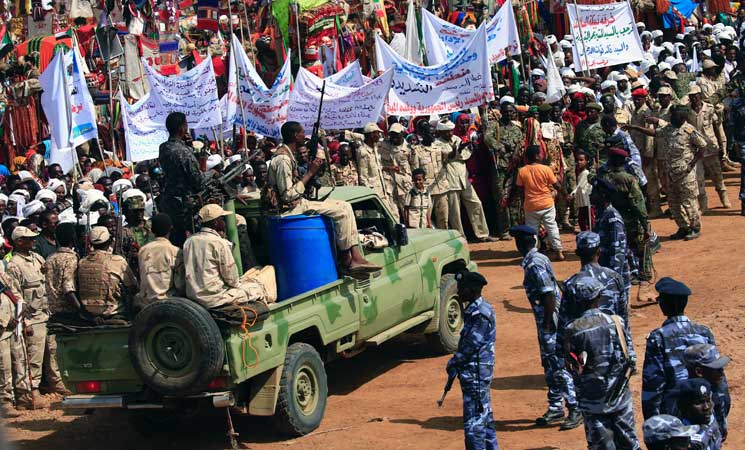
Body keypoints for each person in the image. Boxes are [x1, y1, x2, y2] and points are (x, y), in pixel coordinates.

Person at [265, 121, 380, 277]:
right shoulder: (283, 159)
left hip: (297, 203)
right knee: (341, 212)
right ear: (295, 135)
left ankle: (355, 256)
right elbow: (288, 195)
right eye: (301, 133)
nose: (303, 135)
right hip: (289, 209)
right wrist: (310, 173)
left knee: (345, 206)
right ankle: (346, 260)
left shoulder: (289, 155)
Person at [510, 225, 580, 429]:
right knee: (550, 365)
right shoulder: (538, 258)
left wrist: (548, 324)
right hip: (548, 320)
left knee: (557, 365)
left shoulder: (533, 264)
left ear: (521, 243)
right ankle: (556, 407)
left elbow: (548, 294)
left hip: (551, 322)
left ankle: (574, 408)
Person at [563, 276, 640, 450]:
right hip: (620, 397)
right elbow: (631, 359)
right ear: (598, 297)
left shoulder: (572, 330)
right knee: (629, 443)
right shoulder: (617, 322)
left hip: (592, 401)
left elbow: (571, 366)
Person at [642, 277, 717, 420]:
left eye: (660, 299)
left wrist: (652, 422)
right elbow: (717, 377)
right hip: (704, 410)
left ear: (666, 304)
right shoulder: (704, 332)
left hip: (674, 415)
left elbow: (653, 385)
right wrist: (720, 420)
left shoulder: (658, 337)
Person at [445, 270, 498, 450]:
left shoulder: (480, 313)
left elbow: (471, 345)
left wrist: (454, 363)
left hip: (476, 373)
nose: (459, 291)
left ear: (472, 290)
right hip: (476, 372)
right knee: (485, 417)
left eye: (462, 288)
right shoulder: (477, 309)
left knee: (474, 423)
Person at [183, 204, 266, 308]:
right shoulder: (219, 243)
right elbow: (232, 280)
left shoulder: (189, 241)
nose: (224, 222)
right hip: (215, 298)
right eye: (222, 219)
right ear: (215, 222)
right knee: (257, 288)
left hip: (193, 297)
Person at [438, 120, 494, 242]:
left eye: (451, 131)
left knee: (476, 203)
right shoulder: (437, 143)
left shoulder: (456, 139)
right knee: (455, 213)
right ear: (440, 132)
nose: (450, 133)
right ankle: (460, 238)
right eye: (447, 132)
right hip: (450, 180)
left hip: (463, 178)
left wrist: (460, 150)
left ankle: (482, 234)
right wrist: (457, 151)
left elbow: (466, 155)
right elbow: (447, 157)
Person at [41, 223, 78, 397]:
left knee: (53, 349)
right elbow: (68, 288)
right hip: (68, 309)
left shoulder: (50, 258)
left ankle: (56, 381)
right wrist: (81, 309)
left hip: (51, 309)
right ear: (73, 239)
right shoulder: (71, 259)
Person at [158, 112, 204, 246]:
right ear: (182, 129)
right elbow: (198, 181)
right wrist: (212, 173)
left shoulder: (164, 147)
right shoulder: (183, 152)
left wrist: (188, 146)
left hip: (170, 202)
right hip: (186, 206)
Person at [77, 227, 138, 320]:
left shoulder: (82, 262)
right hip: (113, 314)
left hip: (88, 315)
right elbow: (133, 287)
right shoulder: (118, 260)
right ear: (109, 242)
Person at [484, 101, 525, 238]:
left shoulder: (517, 129)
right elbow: (487, 138)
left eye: (511, 111)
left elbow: (521, 145)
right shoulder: (495, 126)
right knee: (501, 199)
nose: (509, 114)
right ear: (501, 112)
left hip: (514, 168)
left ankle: (515, 227)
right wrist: (500, 147)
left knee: (515, 198)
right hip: (500, 168)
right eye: (506, 111)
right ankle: (504, 230)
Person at [516, 145, 564, 261]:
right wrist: (565, 194)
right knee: (552, 227)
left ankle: (533, 254)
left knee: (532, 231)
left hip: (531, 205)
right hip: (547, 204)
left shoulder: (522, 171)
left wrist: (523, 204)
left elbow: (520, 190)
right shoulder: (546, 169)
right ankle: (559, 252)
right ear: (537, 156)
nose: (542, 155)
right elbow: (556, 185)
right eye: (540, 153)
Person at [687, 85, 730, 212]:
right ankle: (703, 205)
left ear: (700, 95)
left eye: (696, 96)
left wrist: (722, 146)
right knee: (699, 178)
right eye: (691, 96)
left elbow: (717, 128)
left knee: (716, 175)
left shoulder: (709, 109)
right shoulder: (687, 111)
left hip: (710, 147)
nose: (694, 98)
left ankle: (723, 196)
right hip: (696, 150)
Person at [591, 179, 632, 302]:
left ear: (603, 196)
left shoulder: (612, 218)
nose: (591, 195)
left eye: (594, 193)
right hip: (604, 276)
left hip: (613, 282)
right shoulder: (601, 214)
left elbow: (618, 253)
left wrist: (613, 281)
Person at [682, 344, 730, 441]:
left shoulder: (718, 391)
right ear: (699, 372)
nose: (722, 373)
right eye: (717, 369)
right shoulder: (681, 401)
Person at [353, 123, 400, 221]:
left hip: (383, 190)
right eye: (377, 133)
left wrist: (389, 168)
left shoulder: (374, 148)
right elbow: (363, 177)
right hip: (374, 193)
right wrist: (369, 197)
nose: (379, 135)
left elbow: (377, 167)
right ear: (371, 134)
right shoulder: (363, 152)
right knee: (378, 219)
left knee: (392, 216)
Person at [410, 120, 451, 229]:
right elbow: (415, 172)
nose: (430, 134)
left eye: (431, 132)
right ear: (421, 134)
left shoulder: (438, 147)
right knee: (425, 221)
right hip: (426, 191)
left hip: (441, 188)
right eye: (427, 132)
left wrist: (456, 149)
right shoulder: (416, 151)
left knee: (444, 219)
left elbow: (449, 157)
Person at [137, 213, 185, 305]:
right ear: (170, 229)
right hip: (168, 304)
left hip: (145, 304)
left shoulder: (143, 250)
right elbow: (180, 285)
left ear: (152, 230)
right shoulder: (175, 251)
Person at [672, 378, 723, 450]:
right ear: (684, 406)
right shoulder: (683, 439)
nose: (706, 407)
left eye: (708, 400)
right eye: (699, 402)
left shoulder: (708, 416)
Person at [0, 272, 23, 417]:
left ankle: (22, 397)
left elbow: (12, 290)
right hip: (2, 328)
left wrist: (20, 305)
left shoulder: (2, 274)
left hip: (13, 327)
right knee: (4, 368)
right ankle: (5, 403)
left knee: (19, 362)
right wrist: (4, 320)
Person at [379, 123, 413, 220]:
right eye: (392, 134)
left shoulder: (409, 148)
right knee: (393, 216)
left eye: (396, 134)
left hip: (404, 186)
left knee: (408, 216)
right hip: (389, 186)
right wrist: (389, 168)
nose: (393, 137)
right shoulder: (383, 145)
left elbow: (415, 167)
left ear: (402, 133)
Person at [570, 151, 592, 231]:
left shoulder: (586, 173)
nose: (579, 162)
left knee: (585, 219)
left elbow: (579, 185)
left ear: (586, 161)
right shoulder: (581, 173)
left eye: (581, 160)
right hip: (582, 201)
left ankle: (588, 233)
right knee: (582, 219)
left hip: (586, 201)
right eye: (578, 160)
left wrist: (572, 194)